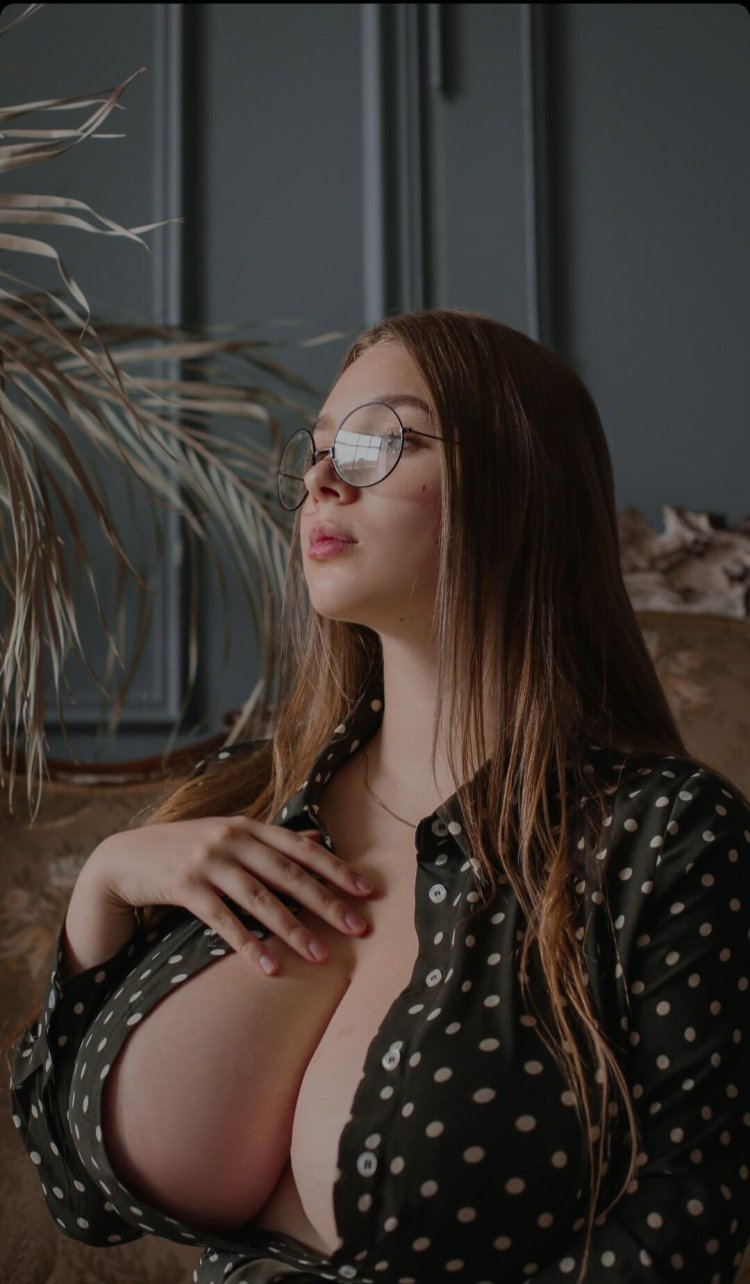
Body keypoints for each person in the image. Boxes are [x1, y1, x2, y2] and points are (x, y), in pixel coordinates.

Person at [8, 307, 750, 1284]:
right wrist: (103, 888)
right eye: (317, 450)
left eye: (375, 442)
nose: (321, 480)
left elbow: (691, 1222)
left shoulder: (670, 837)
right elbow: (79, 1196)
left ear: (517, 482)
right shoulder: (239, 804)